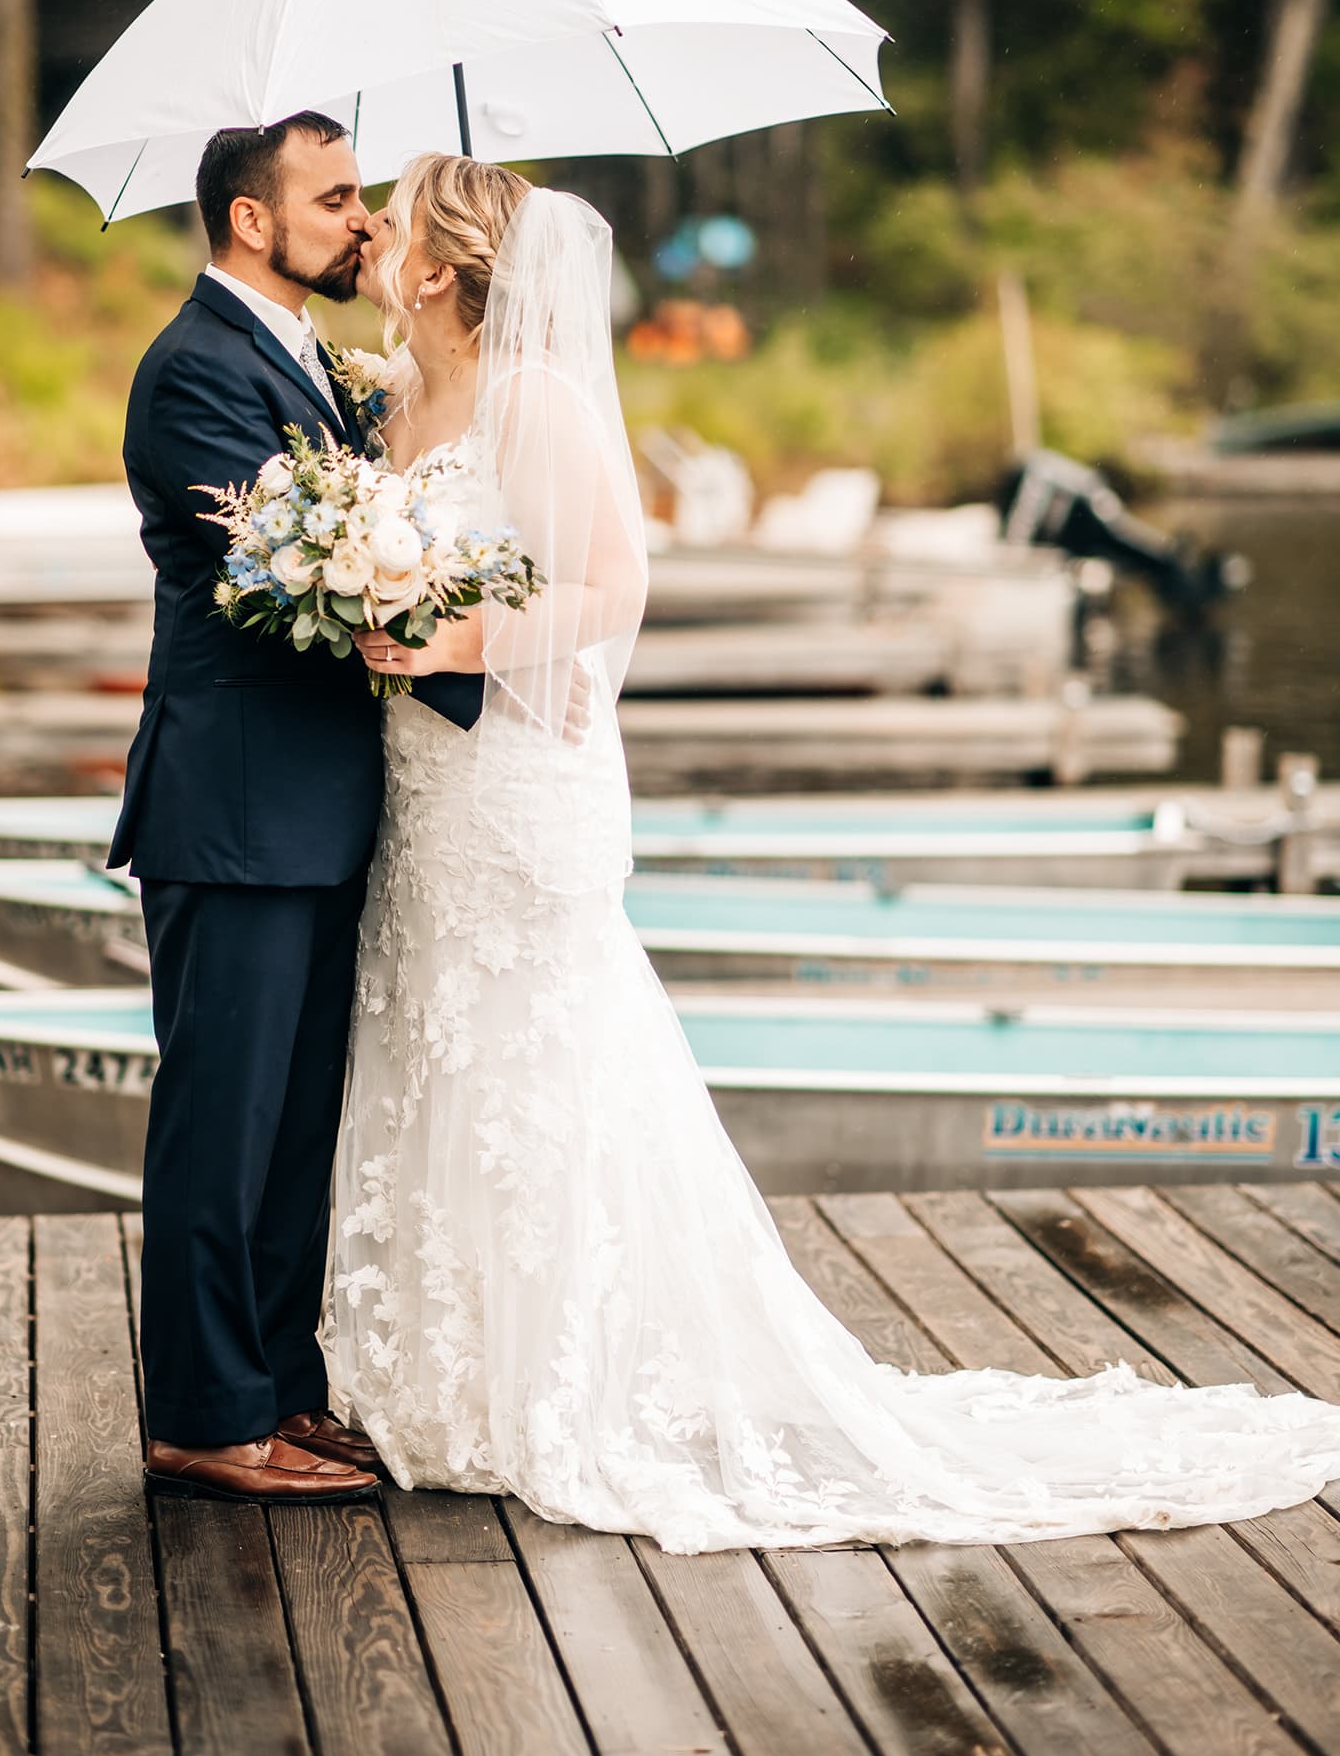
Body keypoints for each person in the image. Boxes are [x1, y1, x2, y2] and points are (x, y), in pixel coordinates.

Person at [324, 152, 1340, 1554]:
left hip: (513, 785)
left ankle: (554, 1380)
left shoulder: (531, 400)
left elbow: (615, 582)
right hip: (421, 781)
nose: (368, 236)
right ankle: (439, 1370)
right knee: (434, 1039)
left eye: (392, 224)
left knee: (532, 1051)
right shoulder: (391, 399)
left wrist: (466, 640)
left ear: (440, 267)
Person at [111, 114, 481, 1507]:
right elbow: (284, 566)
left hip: (318, 807)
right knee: (224, 1118)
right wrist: (437, 603)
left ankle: (279, 1392)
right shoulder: (193, 371)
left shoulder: (306, 359)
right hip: (238, 806)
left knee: (294, 1124)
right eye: (336, 200)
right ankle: (205, 1416)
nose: (363, 220)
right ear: (251, 222)